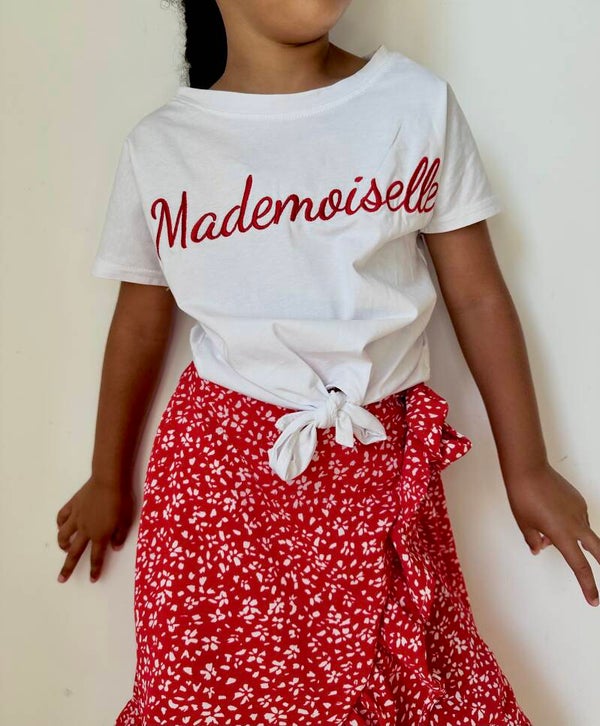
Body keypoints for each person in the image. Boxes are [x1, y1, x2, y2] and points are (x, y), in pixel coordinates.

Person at [56, 1, 600, 724]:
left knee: (403, 684)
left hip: (378, 469)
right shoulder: (164, 146)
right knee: (213, 695)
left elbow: (477, 296)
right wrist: (107, 475)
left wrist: (526, 467)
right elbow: (138, 324)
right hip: (218, 492)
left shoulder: (412, 103)